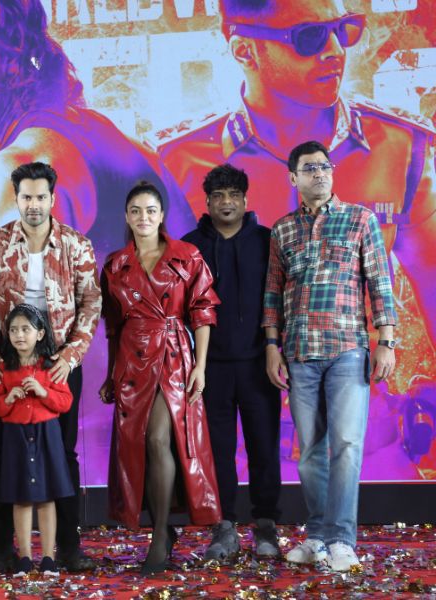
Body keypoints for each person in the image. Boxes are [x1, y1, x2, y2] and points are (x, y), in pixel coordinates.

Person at [153, 0, 436, 378]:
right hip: (241, 397)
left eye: (343, 30)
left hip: (358, 394)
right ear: (244, 50)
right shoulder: (179, 162)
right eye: (309, 36)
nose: (335, 51)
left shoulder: (400, 147)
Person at [0, 0, 195, 269]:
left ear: (9, 55)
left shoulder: (14, 172)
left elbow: (34, 307)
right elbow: (196, 275)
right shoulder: (115, 139)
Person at [263, 141, 397, 571]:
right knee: (309, 453)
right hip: (300, 353)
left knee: (347, 445)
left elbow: (379, 282)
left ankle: (341, 539)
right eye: (310, 168)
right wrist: (271, 346)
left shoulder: (360, 219)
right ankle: (317, 535)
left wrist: (387, 340)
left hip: (347, 351)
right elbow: (273, 293)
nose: (320, 173)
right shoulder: (282, 230)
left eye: (325, 166)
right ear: (293, 178)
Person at [0, 162, 102, 574]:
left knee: (63, 453)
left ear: (52, 198)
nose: (33, 204)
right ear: (16, 198)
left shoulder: (76, 245)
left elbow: (91, 303)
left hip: (58, 364)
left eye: (40, 197)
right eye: (26, 197)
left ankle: (68, 547)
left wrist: (71, 356)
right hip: (7, 363)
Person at [99, 181, 221, 574]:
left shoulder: (186, 255)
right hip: (131, 361)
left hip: (173, 355)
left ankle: (160, 534)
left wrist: (200, 366)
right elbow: (113, 327)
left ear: (162, 214)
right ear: (126, 216)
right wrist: (110, 374)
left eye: (151, 210)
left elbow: (203, 311)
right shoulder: (115, 264)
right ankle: (162, 529)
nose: (143, 217)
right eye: (135, 210)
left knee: (157, 438)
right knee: (138, 447)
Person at [181, 165, 281, 560]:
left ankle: (266, 524)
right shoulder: (189, 247)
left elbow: (280, 299)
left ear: (245, 200)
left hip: (259, 362)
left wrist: (276, 348)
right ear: (207, 202)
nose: (226, 202)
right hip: (210, 367)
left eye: (233, 195)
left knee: (263, 446)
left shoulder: (267, 242)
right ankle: (223, 527)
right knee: (218, 450)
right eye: (219, 196)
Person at [0, 304, 74, 577]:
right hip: (16, 438)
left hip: (47, 436)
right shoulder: (2, 368)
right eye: (13, 330)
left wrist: (43, 392)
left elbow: (65, 402)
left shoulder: (52, 367)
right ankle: (24, 557)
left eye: (26, 329)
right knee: (20, 498)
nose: (19, 335)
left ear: (40, 334)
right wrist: (8, 399)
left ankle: (48, 557)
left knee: (47, 499)